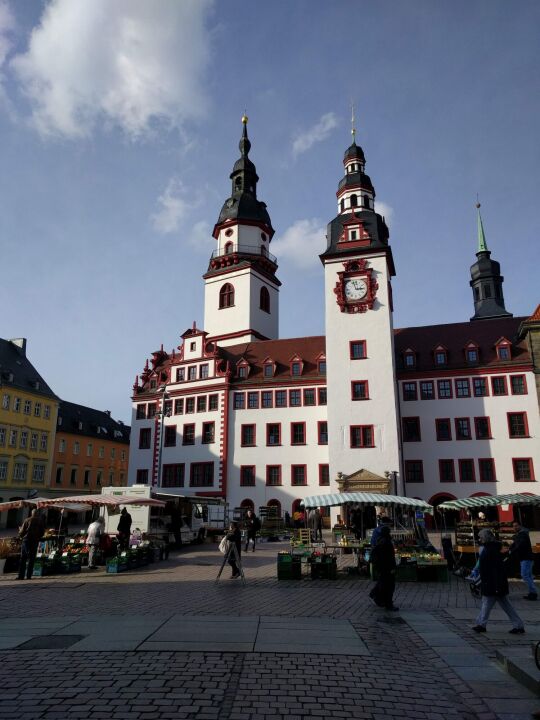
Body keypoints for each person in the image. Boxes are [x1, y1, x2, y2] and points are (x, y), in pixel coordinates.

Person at [472, 528, 525, 634]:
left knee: (487, 604)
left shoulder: (490, 550)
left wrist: (494, 584)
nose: (480, 539)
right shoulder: (491, 548)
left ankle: (481, 624)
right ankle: (518, 625)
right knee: (503, 605)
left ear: (486, 538)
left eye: (481, 537)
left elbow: (495, 568)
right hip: (494, 582)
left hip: (493, 582)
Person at [369, 525, 398, 611]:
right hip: (387, 568)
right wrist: (392, 567)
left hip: (381, 567)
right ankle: (388, 603)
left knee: (382, 583)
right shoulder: (387, 543)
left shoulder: (380, 540)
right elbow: (389, 557)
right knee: (389, 586)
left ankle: (375, 594)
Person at [508, 522, 538, 600]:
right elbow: (516, 544)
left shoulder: (523, 534)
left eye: (516, 526)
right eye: (513, 526)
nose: (514, 527)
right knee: (528, 576)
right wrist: (510, 548)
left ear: (520, 526)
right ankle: (532, 593)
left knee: (524, 575)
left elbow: (519, 545)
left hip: (526, 558)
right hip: (526, 558)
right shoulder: (521, 534)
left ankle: (533, 592)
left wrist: (512, 550)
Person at [17, 509, 44, 580]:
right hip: (35, 541)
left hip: (26, 541)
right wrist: (38, 537)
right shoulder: (40, 521)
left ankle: (21, 576)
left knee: (23, 558)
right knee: (32, 559)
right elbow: (42, 532)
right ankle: (29, 576)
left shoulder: (27, 520)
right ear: (37, 514)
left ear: (31, 513)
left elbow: (22, 531)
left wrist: (20, 534)